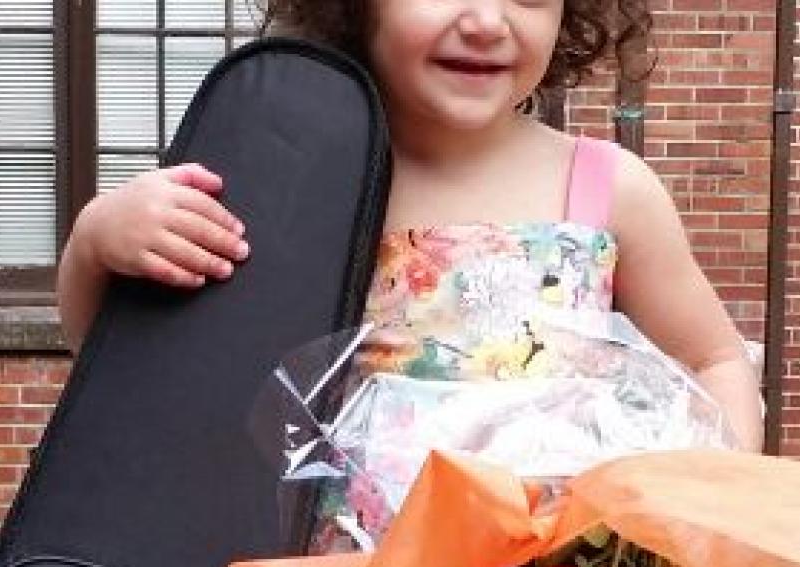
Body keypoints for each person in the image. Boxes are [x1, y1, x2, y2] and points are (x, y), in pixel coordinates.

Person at [55, 0, 764, 453]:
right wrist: (96, 243)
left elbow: (716, 360)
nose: (488, 20)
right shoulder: (282, 180)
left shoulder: (609, 188)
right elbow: (131, 369)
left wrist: (714, 511)